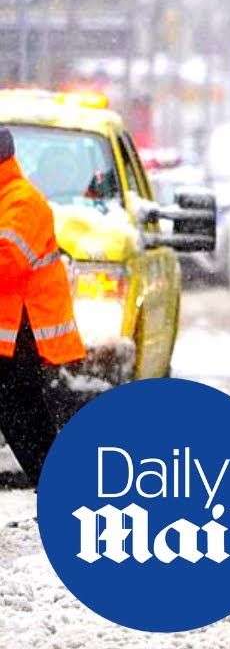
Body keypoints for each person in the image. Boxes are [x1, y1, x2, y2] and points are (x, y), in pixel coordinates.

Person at [0, 128, 86, 487]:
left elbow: (8, 262)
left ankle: (66, 488)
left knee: (25, 421)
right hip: (11, 335)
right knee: (25, 419)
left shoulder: (23, 202)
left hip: (19, 335)